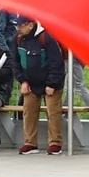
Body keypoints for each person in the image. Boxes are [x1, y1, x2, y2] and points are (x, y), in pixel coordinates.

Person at [13, 16, 68, 154]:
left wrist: (52, 84)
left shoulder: (47, 38)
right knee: (29, 111)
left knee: (53, 112)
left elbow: (56, 63)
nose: (18, 29)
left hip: (50, 83)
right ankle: (30, 143)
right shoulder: (18, 39)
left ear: (30, 25)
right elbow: (15, 62)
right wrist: (22, 81)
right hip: (30, 82)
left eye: (20, 26)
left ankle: (55, 143)